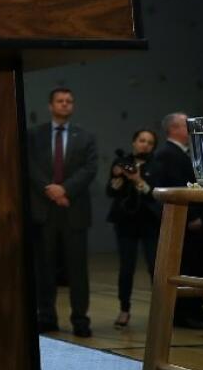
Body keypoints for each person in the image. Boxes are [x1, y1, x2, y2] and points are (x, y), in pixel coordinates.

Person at [27, 87, 98, 338]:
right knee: (44, 269)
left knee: (77, 270)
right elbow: (29, 165)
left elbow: (90, 169)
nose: (65, 104)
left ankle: (80, 319)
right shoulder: (34, 135)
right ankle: (46, 316)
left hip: (73, 210)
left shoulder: (86, 137)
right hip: (43, 211)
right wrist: (50, 190)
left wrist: (64, 189)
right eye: (60, 101)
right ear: (50, 106)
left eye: (69, 101)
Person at [146, 112, 203, 329]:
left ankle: (195, 309)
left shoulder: (186, 153)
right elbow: (171, 189)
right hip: (185, 222)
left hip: (194, 222)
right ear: (173, 129)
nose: (190, 129)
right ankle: (185, 313)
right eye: (185, 125)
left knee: (196, 266)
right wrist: (191, 217)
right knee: (187, 266)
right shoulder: (166, 154)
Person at [105, 128, 159, 328]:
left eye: (150, 142)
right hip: (125, 222)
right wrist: (118, 178)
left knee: (155, 268)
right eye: (141, 140)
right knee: (126, 268)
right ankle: (124, 309)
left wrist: (138, 180)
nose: (145, 144)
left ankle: (159, 311)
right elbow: (110, 191)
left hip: (150, 222)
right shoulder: (122, 162)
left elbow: (155, 194)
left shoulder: (157, 165)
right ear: (133, 142)